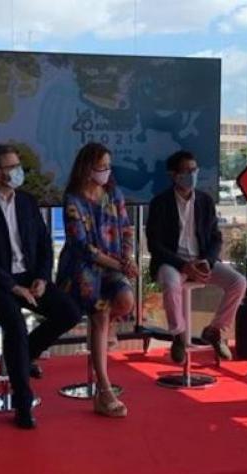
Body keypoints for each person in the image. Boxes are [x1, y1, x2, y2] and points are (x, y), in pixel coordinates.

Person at [0, 144, 81, 429]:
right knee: (15, 325)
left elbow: (43, 244)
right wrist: (13, 287)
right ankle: (22, 403)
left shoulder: (27, 202)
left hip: (29, 277)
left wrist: (42, 277)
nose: (19, 171)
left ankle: (23, 356)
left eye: (19, 166)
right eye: (12, 167)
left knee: (69, 312)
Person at [56, 142, 138, 418]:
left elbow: (126, 229)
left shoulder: (113, 193)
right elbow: (81, 246)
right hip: (83, 268)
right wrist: (119, 265)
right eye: (100, 166)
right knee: (100, 313)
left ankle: (106, 329)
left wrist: (127, 258)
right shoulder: (73, 199)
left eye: (107, 166)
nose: (105, 171)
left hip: (113, 263)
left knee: (125, 301)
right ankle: (104, 389)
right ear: (87, 167)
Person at [146, 150, 246, 364]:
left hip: (201, 262)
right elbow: (155, 245)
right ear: (173, 175)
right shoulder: (160, 203)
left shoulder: (205, 201)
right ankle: (178, 335)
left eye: (194, 170)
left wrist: (207, 261)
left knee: (238, 282)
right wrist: (183, 265)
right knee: (171, 283)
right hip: (172, 263)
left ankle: (215, 330)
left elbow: (216, 237)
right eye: (186, 171)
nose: (192, 175)